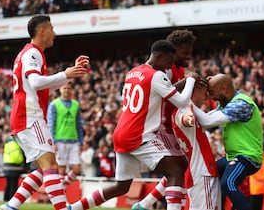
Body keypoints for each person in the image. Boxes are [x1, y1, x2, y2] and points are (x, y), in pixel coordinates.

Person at [68, 39, 197, 210]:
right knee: (176, 171)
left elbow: (156, 92)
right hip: (139, 135)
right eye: (168, 62)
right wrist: (191, 80)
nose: (168, 67)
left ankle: (74, 208)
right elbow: (181, 101)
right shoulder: (157, 75)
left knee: (121, 187)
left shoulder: (133, 72)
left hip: (121, 133)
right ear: (158, 56)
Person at [0, 14, 90, 210]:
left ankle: (11, 206)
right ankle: (61, 207)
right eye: (52, 29)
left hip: (25, 116)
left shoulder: (29, 52)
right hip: (30, 116)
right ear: (42, 31)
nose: (54, 34)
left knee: (43, 169)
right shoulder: (33, 53)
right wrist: (66, 74)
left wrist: (70, 73)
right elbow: (36, 82)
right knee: (50, 166)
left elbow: (42, 84)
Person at [132, 29, 197, 210]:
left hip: (170, 123)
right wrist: (187, 82)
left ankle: (145, 204)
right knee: (179, 167)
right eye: (184, 53)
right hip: (160, 124)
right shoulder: (165, 71)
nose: (188, 57)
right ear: (173, 50)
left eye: (190, 53)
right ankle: (153, 204)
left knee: (181, 166)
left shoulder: (179, 69)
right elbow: (163, 96)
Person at [192, 73, 264, 210]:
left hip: (248, 157)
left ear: (224, 89)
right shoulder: (225, 105)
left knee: (227, 183)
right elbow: (205, 120)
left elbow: (207, 121)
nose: (211, 97)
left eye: (212, 92)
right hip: (233, 157)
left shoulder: (242, 104)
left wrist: (185, 101)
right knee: (209, 173)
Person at [171, 80, 221, 210]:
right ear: (194, 92)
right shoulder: (184, 109)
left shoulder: (184, 110)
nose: (206, 97)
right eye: (204, 92)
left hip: (198, 172)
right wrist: (189, 119)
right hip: (202, 172)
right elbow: (185, 119)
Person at [47, 81, 83, 185]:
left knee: (77, 169)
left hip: (74, 140)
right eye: (64, 88)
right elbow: (51, 124)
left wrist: (81, 142)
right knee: (61, 169)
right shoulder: (54, 104)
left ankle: (60, 189)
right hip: (59, 140)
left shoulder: (76, 104)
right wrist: (52, 142)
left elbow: (79, 125)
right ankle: (60, 194)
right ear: (60, 89)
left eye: (68, 88)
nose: (67, 90)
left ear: (71, 90)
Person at [2, 136, 26, 201]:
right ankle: (12, 201)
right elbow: (18, 157)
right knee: (14, 185)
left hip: (6, 166)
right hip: (15, 167)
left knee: (8, 185)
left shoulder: (7, 144)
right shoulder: (17, 143)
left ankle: (5, 199)